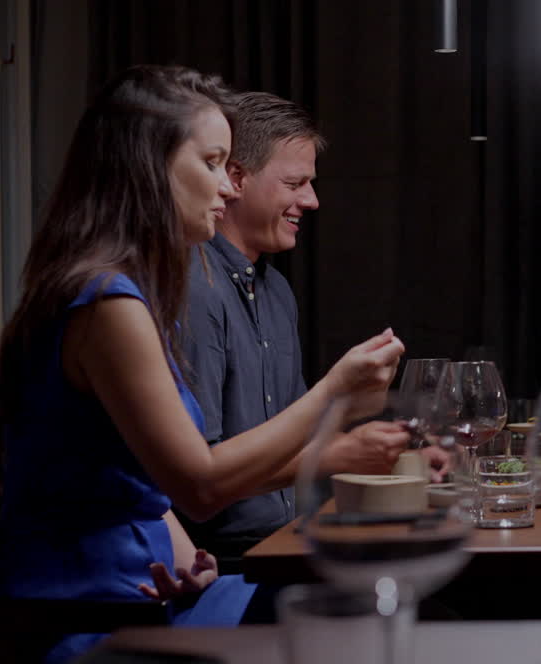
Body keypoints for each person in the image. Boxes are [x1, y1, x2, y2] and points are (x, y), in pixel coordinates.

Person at [0, 66, 404, 664]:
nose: (228, 188)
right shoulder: (108, 302)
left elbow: (141, 483)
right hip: (82, 625)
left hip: (144, 595)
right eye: (214, 163)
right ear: (150, 166)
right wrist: (334, 393)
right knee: (374, 618)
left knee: (381, 602)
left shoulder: (113, 290)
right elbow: (199, 486)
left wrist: (184, 558)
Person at [179, 92, 442, 567]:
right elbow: (201, 477)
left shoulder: (276, 290)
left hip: (297, 538)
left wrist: (385, 446)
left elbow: (295, 440)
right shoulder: (193, 287)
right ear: (236, 179)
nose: (312, 200)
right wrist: (341, 446)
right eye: (295, 183)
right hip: (227, 560)